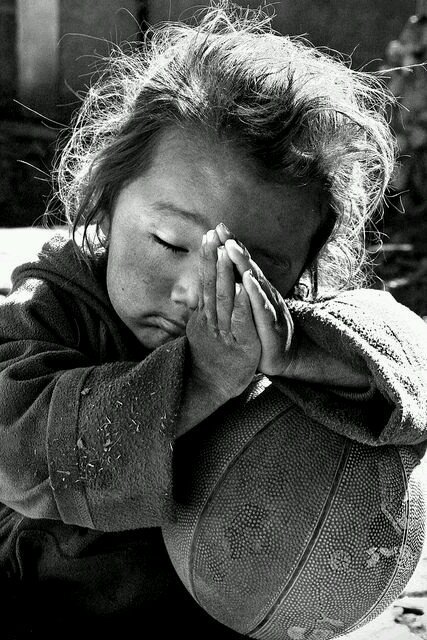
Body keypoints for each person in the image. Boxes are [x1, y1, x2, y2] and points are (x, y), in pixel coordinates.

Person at [0, 2, 426, 637]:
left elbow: (413, 366)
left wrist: (300, 352)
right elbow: (16, 452)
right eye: (170, 242)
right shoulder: (47, 310)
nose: (196, 293)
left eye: (245, 268)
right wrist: (199, 379)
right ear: (105, 204)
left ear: (301, 269)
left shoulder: (277, 322)